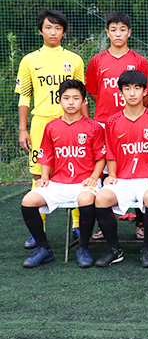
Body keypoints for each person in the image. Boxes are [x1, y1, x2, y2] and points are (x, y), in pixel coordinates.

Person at [16, 9, 86, 249]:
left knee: (77, 172)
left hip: (71, 124)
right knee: (38, 174)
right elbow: (24, 96)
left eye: (58, 28)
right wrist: (23, 129)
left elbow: (81, 97)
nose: (53, 32)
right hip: (41, 124)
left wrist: (87, 125)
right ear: (40, 31)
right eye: (48, 27)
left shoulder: (75, 60)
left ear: (63, 32)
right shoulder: (29, 60)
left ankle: (77, 225)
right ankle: (39, 230)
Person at [21, 79, 106, 268]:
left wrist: (94, 177)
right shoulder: (51, 127)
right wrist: (44, 177)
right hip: (58, 182)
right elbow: (46, 155)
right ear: (59, 100)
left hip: (84, 182)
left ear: (84, 101)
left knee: (86, 199)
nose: (71, 102)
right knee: (28, 201)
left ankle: (83, 248)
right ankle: (43, 249)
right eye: (66, 98)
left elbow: (101, 157)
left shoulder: (94, 127)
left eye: (76, 98)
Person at [85, 12, 148, 239]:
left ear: (129, 32)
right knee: (105, 172)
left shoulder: (140, 61)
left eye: (122, 29)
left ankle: (141, 222)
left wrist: (132, 113)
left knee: (136, 167)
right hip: (104, 123)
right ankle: (105, 224)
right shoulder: (97, 61)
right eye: (113, 29)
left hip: (134, 123)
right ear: (107, 32)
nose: (118, 34)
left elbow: (146, 95)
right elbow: (93, 93)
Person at [92, 70, 148, 267]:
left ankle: (147, 248)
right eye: (127, 88)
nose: (132, 93)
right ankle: (114, 250)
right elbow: (111, 153)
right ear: (121, 92)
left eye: (137, 88)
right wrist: (112, 175)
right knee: (101, 198)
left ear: (144, 91)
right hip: (123, 180)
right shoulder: (112, 121)